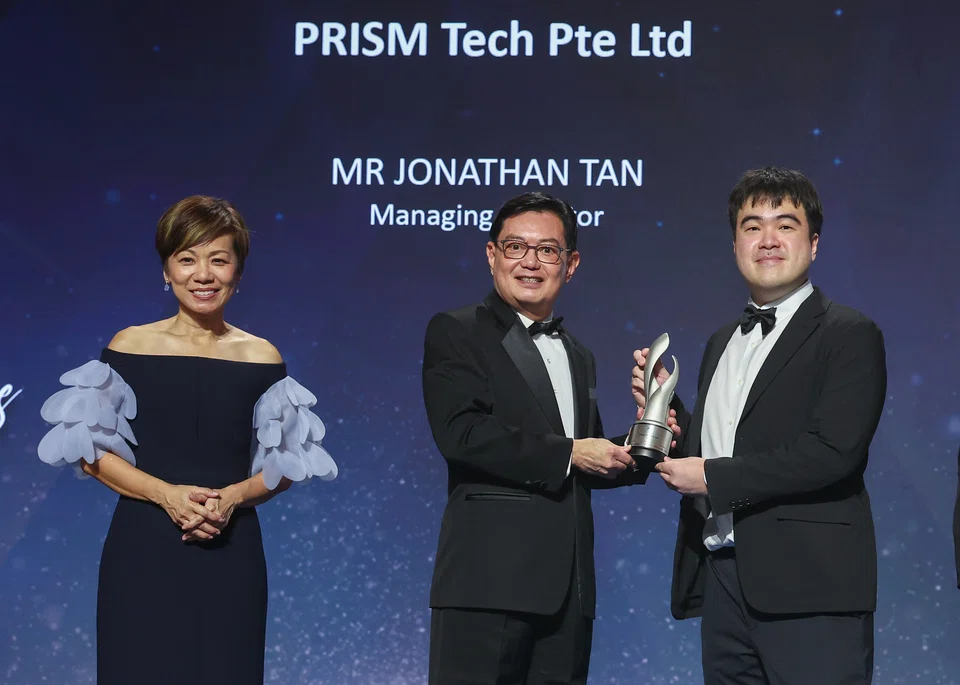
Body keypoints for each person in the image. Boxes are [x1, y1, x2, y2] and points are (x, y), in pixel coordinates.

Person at [37, 195, 337, 685]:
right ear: (167, 271)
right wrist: (167, 495)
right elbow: (90, 452)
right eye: (187, 259)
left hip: (230, 547)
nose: (204, 274)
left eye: (219, 259)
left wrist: (231, 498)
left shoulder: (262, 357)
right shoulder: (129, 345)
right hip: (144, 548)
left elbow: (287, 463)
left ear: (237, 273)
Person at [633, 167, 886, 684]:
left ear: (813, 244)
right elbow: (725, 439)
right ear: (734, 245)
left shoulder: (850, 333)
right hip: (725, 581)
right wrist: (665, 410)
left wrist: (714, 478)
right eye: (752, 226)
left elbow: (833, 452)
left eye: (785, 224)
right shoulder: (721, 340)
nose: (767, 239)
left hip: (812, 588)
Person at [422, 191, 672, 685]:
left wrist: (652, 430)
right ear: (492, 255)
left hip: (569, 593)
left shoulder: (579, 354)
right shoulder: (457, 330)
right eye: (516, 247)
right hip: (488, 587)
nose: (531, 262)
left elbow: (590, 458)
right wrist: (573, 452)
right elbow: (462, 435)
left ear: (571, 263)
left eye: (548, 250)